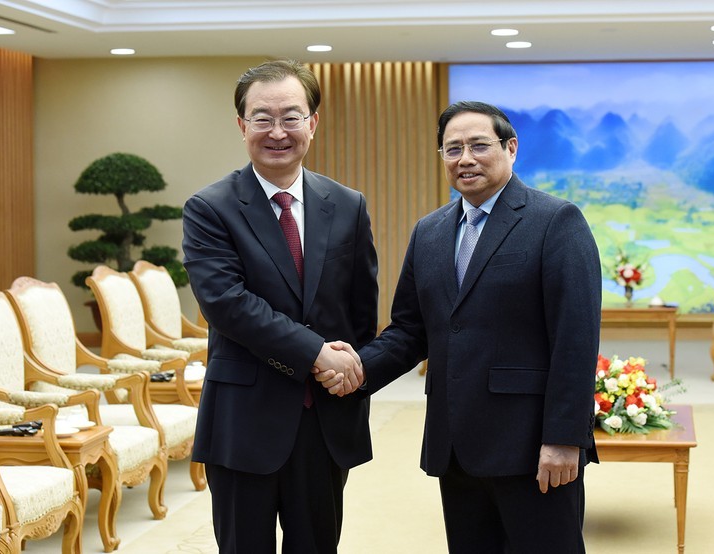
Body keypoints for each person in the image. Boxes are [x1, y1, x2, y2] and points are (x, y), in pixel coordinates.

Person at [316, 101, 601, 552]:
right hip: (456, 446)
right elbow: (410, 331)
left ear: (511, 149)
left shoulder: (556, 221)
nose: (465, 158)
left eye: (478, 145)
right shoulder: (429, 232)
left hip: (532, 447)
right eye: (452, 149)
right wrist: (356, 369)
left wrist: (565, 439)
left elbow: (576, 339)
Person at [182, 59, 378, 553]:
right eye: (262, 118)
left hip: (325, 420)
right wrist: (318, 354)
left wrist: (348, 372)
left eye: (291, 116)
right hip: (244, 419)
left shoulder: (347, 204)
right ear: (242, 124)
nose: (277, 131)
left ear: (313, 122)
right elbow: (227, 304)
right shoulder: (210, 208)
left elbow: (360, 309)